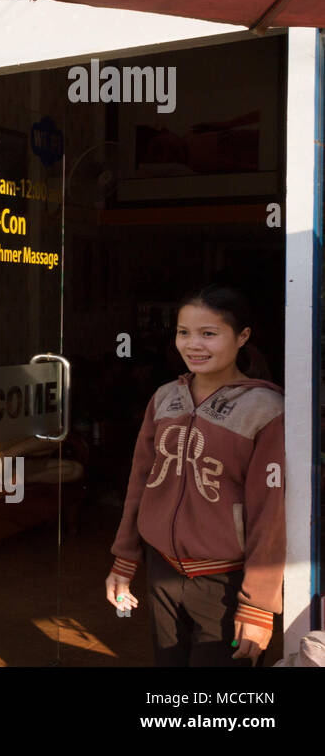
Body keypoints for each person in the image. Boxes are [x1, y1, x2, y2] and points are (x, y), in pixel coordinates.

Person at [106, 284, 285, 666]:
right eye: (184, 333)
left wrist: (257, 606)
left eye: (209, 333)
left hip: (226, 582)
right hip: (162, 570)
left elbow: (271, 514)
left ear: (243, 337)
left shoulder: (265, 409)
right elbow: (140, 482)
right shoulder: (164, 397)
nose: (193, 345)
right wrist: (124, 560)